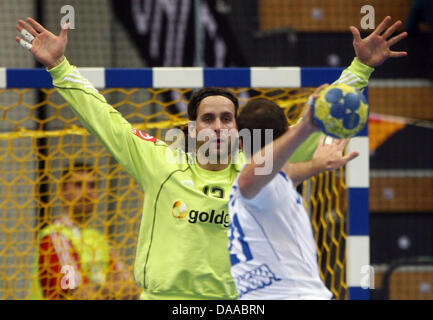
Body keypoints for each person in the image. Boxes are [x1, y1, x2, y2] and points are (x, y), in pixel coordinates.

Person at [16, 16, 406, 300]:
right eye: (207, 119)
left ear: (238, 130)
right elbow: (105, 119)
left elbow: (317, 119)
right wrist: (59, 67)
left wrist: (360, 68)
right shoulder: (161, 164)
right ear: (191, 128)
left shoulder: (262, 172)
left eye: (226, 118)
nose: (217, 126)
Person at [228, 89, 354, 300]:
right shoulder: (253, 183)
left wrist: (317, 164)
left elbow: (285, 175)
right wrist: (303, 129)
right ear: (287, 131)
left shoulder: (271, 185)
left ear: (240, 143)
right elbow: (251, 179)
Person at [29, 162, 140, 300]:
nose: (86, 192)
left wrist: (95, 289)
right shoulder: (54, 237)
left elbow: (131, 289)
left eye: (92, 186)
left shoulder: (98, 238)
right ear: (62, 191)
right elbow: (79, 295)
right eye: (78, 185)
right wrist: (110, 287)